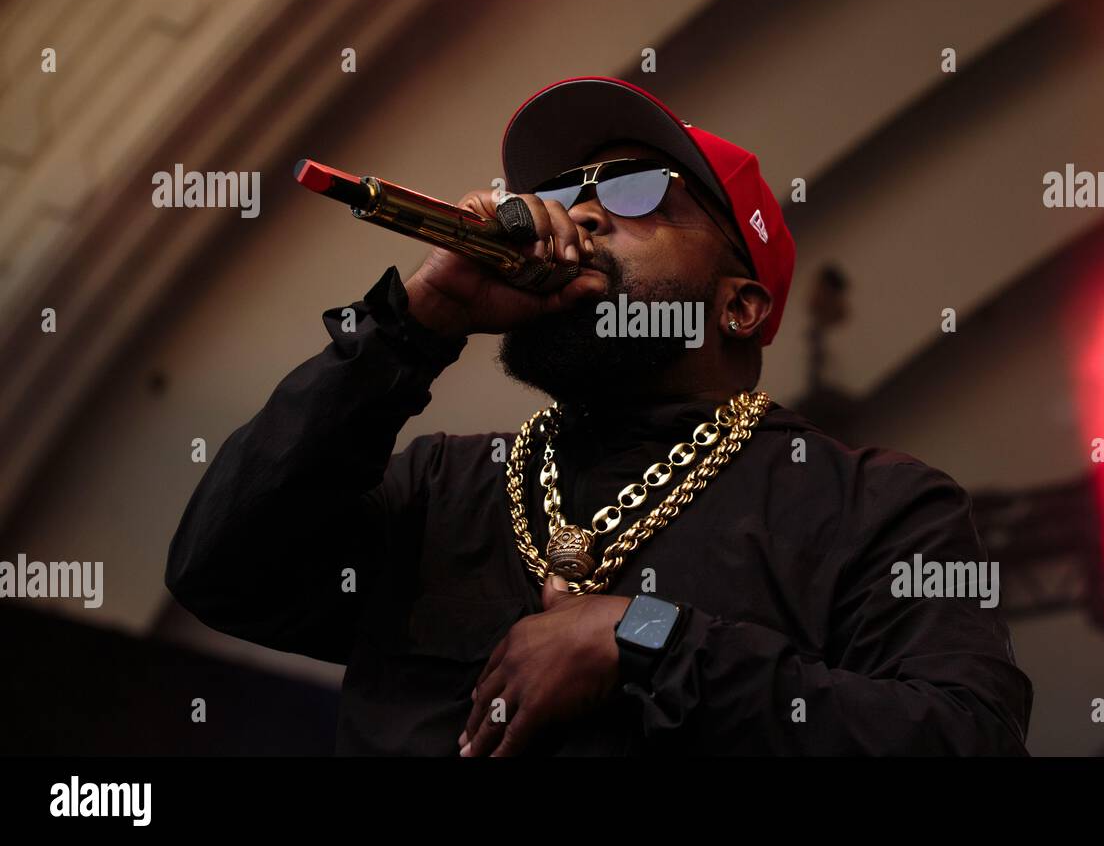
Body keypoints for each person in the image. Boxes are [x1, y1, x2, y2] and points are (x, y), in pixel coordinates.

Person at [165, 76, 1033, 756]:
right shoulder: (442, 485)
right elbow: (223, 570)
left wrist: (650, 637)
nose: (579, 212)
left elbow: (968, 739)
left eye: (638, 193)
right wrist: (414, 325)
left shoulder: (870, 509)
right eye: (562, 191)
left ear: (738, 306)